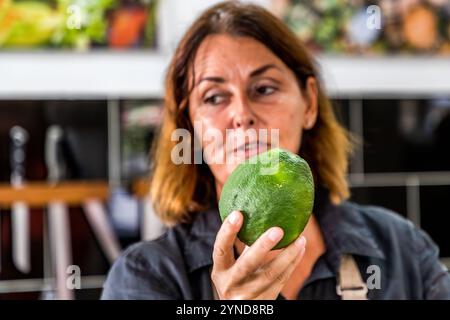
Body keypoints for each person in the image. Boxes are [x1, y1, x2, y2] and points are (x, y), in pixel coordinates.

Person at [101, 1, 450, 300]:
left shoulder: (401, 250)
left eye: (265, 88)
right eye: (214, 97)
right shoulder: (145, 278)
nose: (241, 114)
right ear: (189, 126)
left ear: (309, 103)